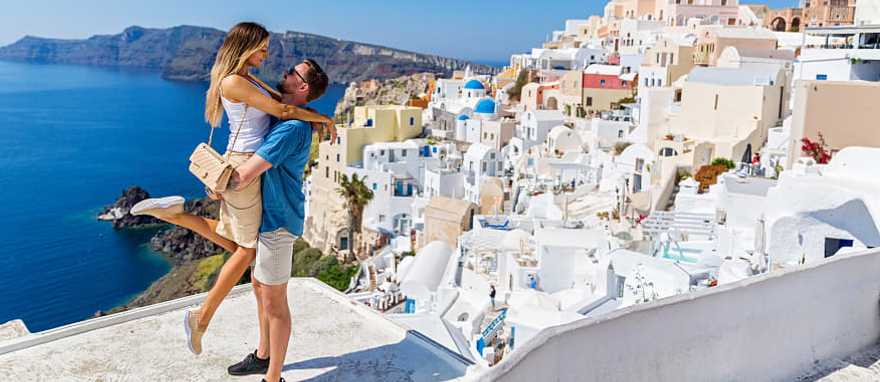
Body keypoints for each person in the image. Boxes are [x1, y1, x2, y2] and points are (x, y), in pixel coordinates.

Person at [130, 22, 333, 356]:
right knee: (247, 251)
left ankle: (177, 215)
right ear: (246, 47)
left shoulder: (248, 78)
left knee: (239, 243)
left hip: (247, 162)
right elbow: (283, 110)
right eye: (262, 48)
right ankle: (201, 318)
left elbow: (284, 106)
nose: (267, 54)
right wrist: (324, 119)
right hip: (246, 165)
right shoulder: (233, 81)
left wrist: (311, 113)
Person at [223, 59, 328, 382]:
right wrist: (322, 117)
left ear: (303, 86)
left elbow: (244, 174)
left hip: (279, 222)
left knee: (275, 304)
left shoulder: (290, 129)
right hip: (269, 217)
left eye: (292, 73)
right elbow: (276, 100)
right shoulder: (288, 117)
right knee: (259, 288)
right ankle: (263, 355)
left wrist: (215, 183)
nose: (284, 73)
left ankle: (273, 377)